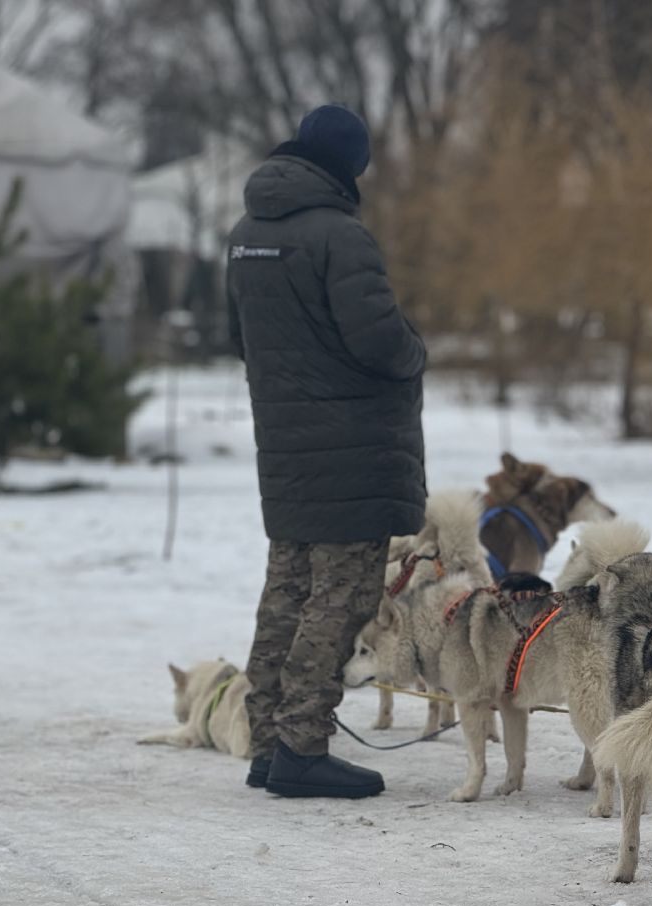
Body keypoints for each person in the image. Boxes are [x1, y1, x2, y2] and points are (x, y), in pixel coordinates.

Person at [227, 104, 426, 798]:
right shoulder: (340, 236)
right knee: (339, 598)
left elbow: (241, 339)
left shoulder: (246, 233)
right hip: (352, 451)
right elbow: (379, 340)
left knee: (287, 590)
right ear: (348, 165)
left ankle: (266, 745)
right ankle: (302, 747)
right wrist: (415, 351)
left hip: (284, 446)